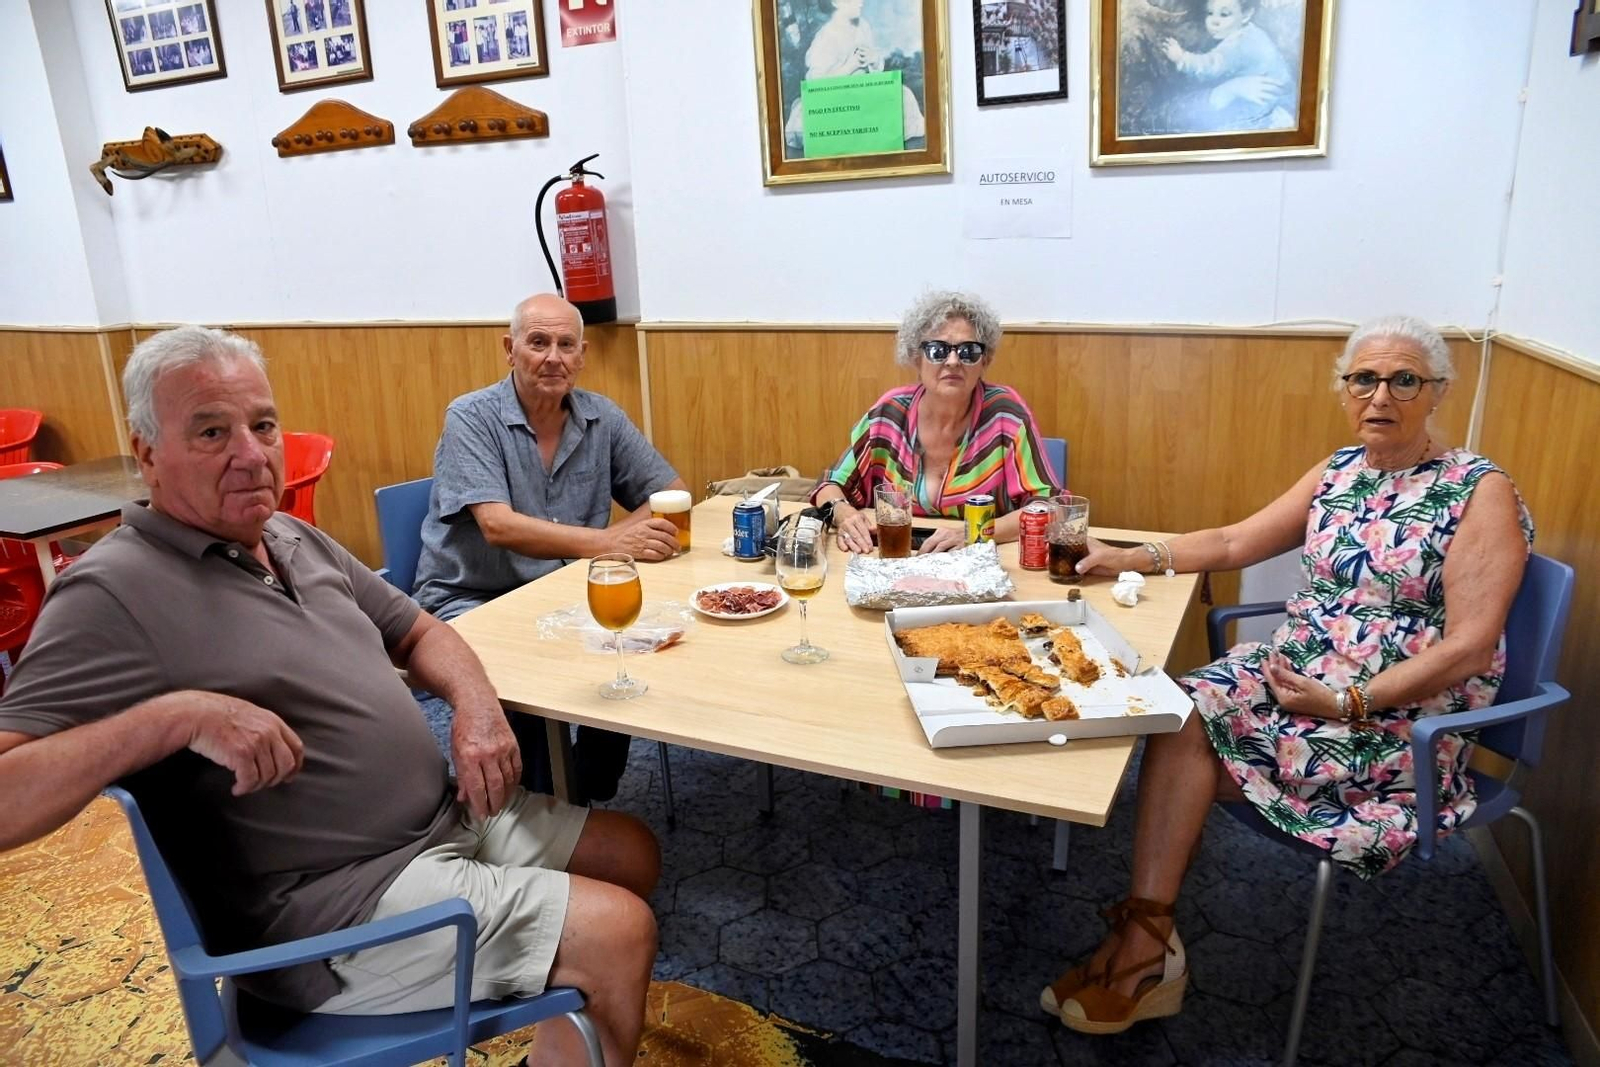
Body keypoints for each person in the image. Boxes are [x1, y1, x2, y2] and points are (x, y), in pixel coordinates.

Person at [0, 326, 660, 1066]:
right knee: (617, 930)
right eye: (212, 432)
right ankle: (574, 970)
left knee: (631, 853)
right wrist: (173, 717)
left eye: (263, 425)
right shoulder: (113, 592)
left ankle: (561, 1021)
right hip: (335, 911)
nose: (252, 454)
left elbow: (420, 631)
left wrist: (475, 708)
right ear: (147, 452)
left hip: (439, 820)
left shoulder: (289, 537)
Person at [1040, 315, 1534, 1035]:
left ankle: (1145, 948)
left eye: (1404, 380)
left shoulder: (1477, 489)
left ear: (1438, 392)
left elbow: (1469, 647)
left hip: (1393, 716)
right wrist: (1128, 556)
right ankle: (1151, 931)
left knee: (1191, 758)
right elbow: (1233, 540)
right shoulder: (1340, 470)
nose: (1380, 396)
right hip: (1297, 681)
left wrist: (1349, 700)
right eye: (1363, 379)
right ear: (1344, 388)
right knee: (1175, 709)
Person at [413, 293, 690, 800]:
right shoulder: (471, 417)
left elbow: (669, 493)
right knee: (529, 677)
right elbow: (497, 526)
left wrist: (634, 537)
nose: (553, 357)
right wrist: (610, 541)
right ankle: (539, 805)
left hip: (560, 590)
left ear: (582, 355)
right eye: (538, 342)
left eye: (566, 345)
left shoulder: (602, 417)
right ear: (510, 349)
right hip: (472, 597)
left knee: (637, 638)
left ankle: (586, 783)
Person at [813, 290, 1061, 554]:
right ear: (916, 357)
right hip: (894, 558)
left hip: (977, 560)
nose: (953, 361)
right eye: (937, 350)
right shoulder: (889, 414)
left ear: (984, 361)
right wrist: (843, 512)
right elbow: (830, 485)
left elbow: (1048, 507)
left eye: (968, 351)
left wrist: (974, 533)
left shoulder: (1006, 415)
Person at [783, 0, 927, 153]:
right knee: (822, 120)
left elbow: (875, 64)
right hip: (836, 99)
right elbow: (815, 85)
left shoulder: (863, 26)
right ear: (836, 2)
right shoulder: (826, 37)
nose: (860, 3)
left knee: (904, 95)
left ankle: (868, 128)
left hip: (863, 91)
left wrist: (873, 59)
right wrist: (850, 66)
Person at [1160, 0, 1294, 131]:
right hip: (1273, 101)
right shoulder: (1251, 32)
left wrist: (1181, 58)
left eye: (1224, 14)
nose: (1214, 21)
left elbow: (1211, 65)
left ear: (1246, 15)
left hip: (1267, 106)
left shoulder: (1240, 42)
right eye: (1210, 13)